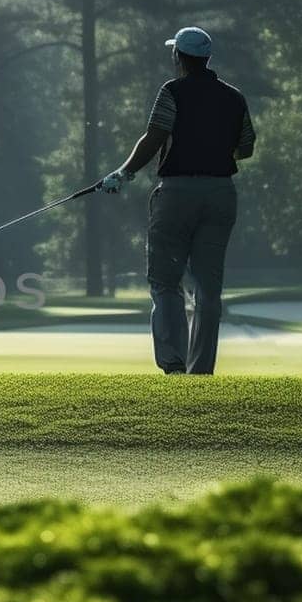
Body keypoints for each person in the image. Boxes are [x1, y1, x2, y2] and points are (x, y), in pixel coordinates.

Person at [99, 26, 255, 375]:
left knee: (166, 280)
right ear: (207, 58)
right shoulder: (234, 97)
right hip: (220, 194)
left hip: (178, 194)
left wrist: (122, 174)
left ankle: (173, 364)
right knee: (208, 288)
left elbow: (154, 137)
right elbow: (246, 147)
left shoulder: (172, 91)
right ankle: (201, 371)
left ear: (179, 57)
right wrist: (214, 148)